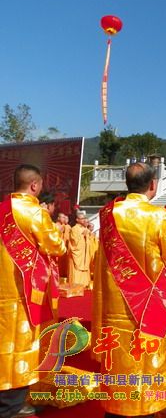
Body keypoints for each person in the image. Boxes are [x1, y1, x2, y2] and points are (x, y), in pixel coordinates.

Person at [93, 162, 166, 417]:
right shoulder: (159, 216)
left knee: (120, 357)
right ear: (152, 185)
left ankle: (116, 407)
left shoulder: (109, 214)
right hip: (151, 304)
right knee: (146, 360)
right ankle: (145, 410)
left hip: (116, 303)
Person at [0, 164, 66, 418]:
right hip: (20, 294)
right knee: (18, 347)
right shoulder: (33, 213)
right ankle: (11, 406)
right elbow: (57, 246)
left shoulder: (3, 209)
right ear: (35, 185)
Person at [68, 210, 91, 287]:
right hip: (78, 254)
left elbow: (88, 242)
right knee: (76, 269)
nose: (84, 220)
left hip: (84, 254)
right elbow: (74, 243)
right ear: (77, 220)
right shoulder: (74, 229)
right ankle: (76, 284)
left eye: (84, 218)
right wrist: (82, 236)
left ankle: (85, 283)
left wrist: (87, 236)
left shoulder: (85, 229)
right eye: (81, 218)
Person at [56, 211, 71, 278]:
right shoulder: (55, 225)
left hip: (64, 247)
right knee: (58, 263)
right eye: (62, 217)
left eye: (65, 218)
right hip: (57, 247)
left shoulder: (66, 226)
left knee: (64, 263)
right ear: (58, 218)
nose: (64, 219)